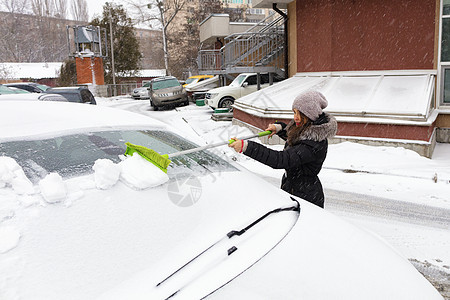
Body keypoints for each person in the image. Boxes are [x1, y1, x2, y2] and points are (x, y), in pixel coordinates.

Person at [229, 90, 337, 208]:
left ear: (309, 114)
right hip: (294, 188)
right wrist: (280, 128)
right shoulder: (307, 128)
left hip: (306, 197)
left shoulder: (314, 144)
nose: (295, 118)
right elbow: (297, 138)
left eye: (299, 114)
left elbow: (281, 160)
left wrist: (247, 147)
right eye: (294, 112)